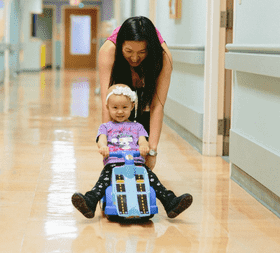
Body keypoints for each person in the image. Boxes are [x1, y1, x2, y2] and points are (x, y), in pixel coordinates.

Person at [72, 84, 193, 219]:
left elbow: (143, 140)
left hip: (136, 163)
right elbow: (101, 140)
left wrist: (144, 146)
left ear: (132, 106)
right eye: (115, 108)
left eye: (124, 107)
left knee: (152, 179)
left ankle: (170, 201)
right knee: (103, 181)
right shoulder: (105, 127)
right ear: (107, 108)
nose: (120, 111)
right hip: (114, 163)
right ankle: (90, 202)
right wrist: (103, 147)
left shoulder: (137, 126)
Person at [98, 16, 173, 170]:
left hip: (144, 101)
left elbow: (157, 105)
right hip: (119, 99)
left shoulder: (163, 56)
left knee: (142, 151)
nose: (134, 57)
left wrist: (152, 151)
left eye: (142, 52)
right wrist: (107, 145)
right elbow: (107, 102)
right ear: (120, 47)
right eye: (128, 51)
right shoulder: (108, 50)